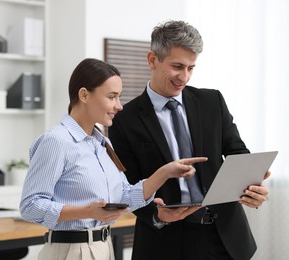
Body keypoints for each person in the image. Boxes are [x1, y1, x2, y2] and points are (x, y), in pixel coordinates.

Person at [108, 20, 271, 260]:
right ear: (152, 59)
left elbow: (237, 151)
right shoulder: (124, 119)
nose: (184, 77)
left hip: (225, 239)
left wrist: (252, 186)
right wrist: (156, 214)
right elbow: (127, 186)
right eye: (177, 66)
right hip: (165, 243)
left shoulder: (212, 102)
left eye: (191, 68)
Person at [19, 58, 207, 260]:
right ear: (84, 95)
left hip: (103, 247)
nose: (119, 106)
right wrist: (87, 212)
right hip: (70, 251)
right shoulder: (56, 141)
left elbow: (123, 196)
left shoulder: (102, 144)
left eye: (119, 97)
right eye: (112, 97)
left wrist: (164, 173)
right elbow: (30, 206)